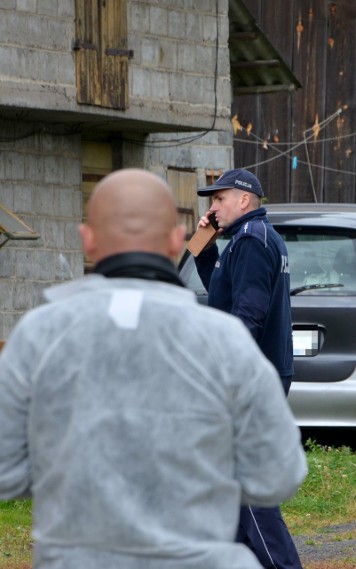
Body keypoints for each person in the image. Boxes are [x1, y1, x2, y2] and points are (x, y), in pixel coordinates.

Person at [0, 168, 307, 569]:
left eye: (219, 199)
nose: (212, 207)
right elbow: (282, 471)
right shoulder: (229, 309)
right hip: (248, 373)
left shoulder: (39, 334)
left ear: (87, 240)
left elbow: (8, 468)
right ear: (174, 241)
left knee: (246, 501)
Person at [194, 168, 302, 569]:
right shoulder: (244, 239)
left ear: (243, 200)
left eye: (219, 199)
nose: (212, 207)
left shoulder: (253, 241)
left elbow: (248, 315)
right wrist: (205, 246)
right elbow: (223, 290)